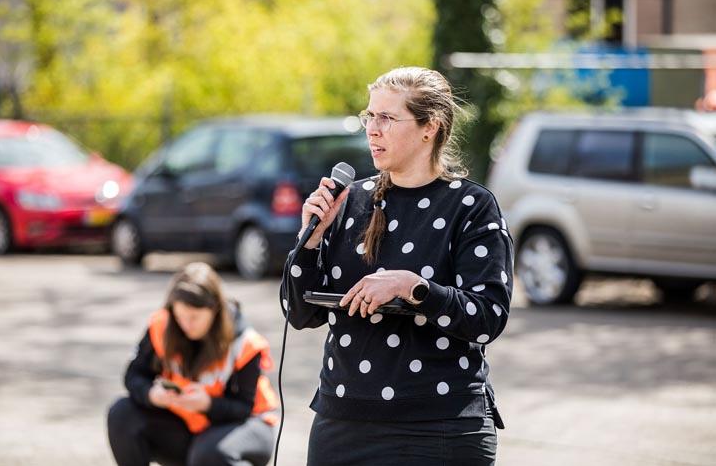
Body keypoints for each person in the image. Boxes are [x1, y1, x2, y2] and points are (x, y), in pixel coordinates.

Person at [280, 67, 513, 466]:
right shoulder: (350, 201)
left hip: (440, 425)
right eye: (369, 116)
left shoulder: (470, 207)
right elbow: (300, 314)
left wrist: (414, 288)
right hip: (344, 420)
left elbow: (488, 316)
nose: (372, 129)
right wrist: (310, 241)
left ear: (430, 127)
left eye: (387, 118)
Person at [108, 262, 278, 466]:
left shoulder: (245, 342)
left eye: (194, 317)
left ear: (215, 309)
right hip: (191, 425)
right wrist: (151, 395)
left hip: (247, 424)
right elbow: (133, 375)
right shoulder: (163, 325)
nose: (186, 324)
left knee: (208, 454)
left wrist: (208, 404)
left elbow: (243, 408)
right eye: (180, 317)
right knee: (122, 413)